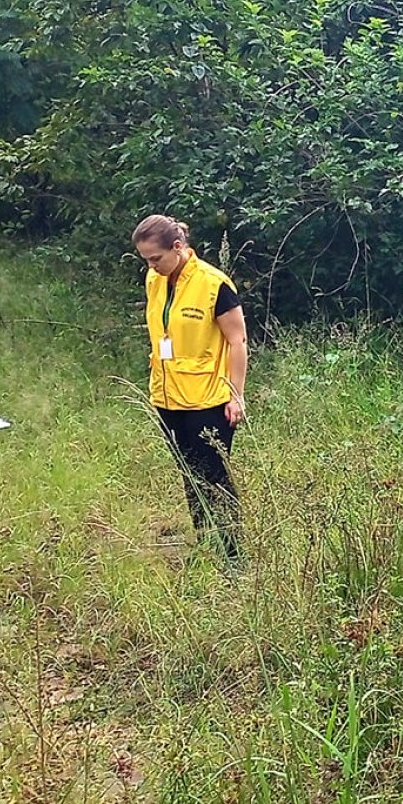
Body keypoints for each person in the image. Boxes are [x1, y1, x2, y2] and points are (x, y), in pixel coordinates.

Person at [133, 215, 248, 563]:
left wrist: (236, 395)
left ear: (178, 247)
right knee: (190, 474)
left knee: (214, 476)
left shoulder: (214, 284)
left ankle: (232, 556)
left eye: (156, 258)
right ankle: (205, 543)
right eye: (146, 260)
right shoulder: (155, 279)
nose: (151, 266)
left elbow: (238, 340)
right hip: (167, 397)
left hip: (209, 400)